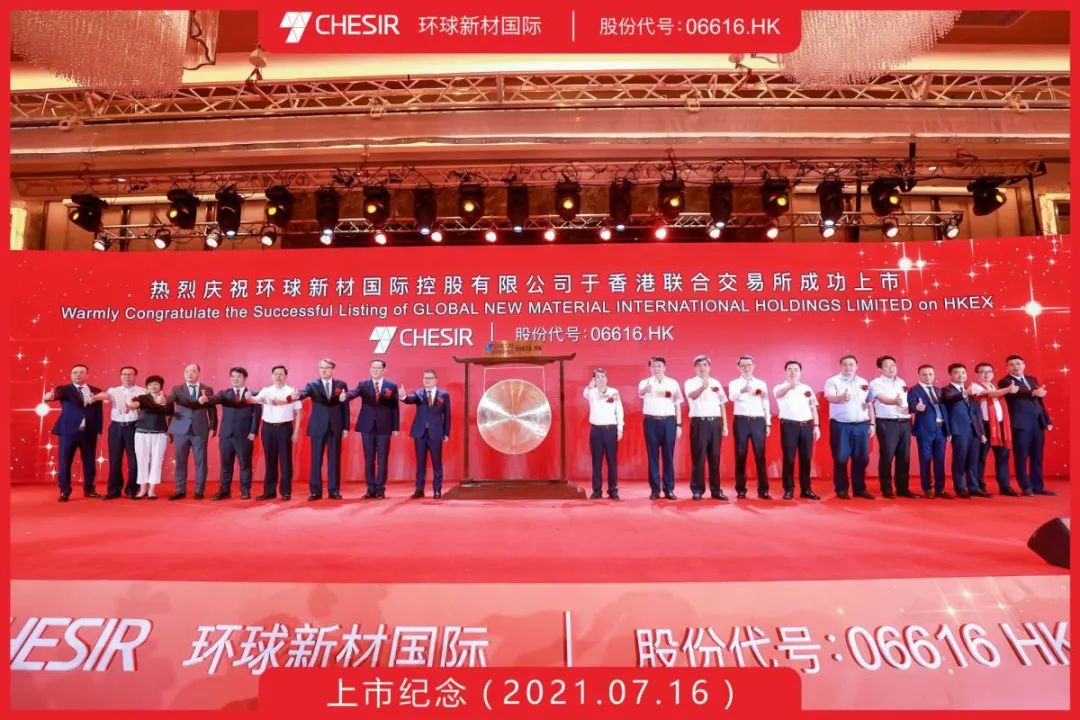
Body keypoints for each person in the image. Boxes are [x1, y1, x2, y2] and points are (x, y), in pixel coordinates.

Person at [43, 364, 104, 502]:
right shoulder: (63, 389)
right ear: (71, 375)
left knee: (89, 462)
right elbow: (53, 396)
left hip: (89, 432)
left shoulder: (96, 391)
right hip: (68, 432)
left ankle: (89, 489)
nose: (78, 375)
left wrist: (98, 429)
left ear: (87, 375)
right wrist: (48, 397)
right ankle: (64, 491)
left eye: (81, 372)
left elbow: (98, 411)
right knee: (65, 461)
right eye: (75, 372)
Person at [293, 358, 350, 501]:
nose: (323, 370)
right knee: (316, 460)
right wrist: (298, 395)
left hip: (335, 427)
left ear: (332, 369)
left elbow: (345, 406)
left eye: (326, 367)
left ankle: (334, 491)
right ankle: (315, 492)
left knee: (334, 460)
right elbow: (304, 393)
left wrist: (345, 427)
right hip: (318, 427)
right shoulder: (312, 385)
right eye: (321, 368)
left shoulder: (341, 385)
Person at [998, 355, 1055, 496]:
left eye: (1018, 363)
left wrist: (1046, 420)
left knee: (1037, 457)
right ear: (1007, 368)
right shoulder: (1005, 381)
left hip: (1037, 424)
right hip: (1020, 424)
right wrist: (1033, 392)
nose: (1016, 366)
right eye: (1012, 364)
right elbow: (1017, 391)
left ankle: (1038, 487)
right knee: (1021, 457)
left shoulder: (1032, 379)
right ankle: (1026, 486)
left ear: (1024, 365)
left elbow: (1039, 401)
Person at [346, 359, 401, 499]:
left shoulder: (391, 386)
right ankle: (370, 488)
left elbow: (395, 407)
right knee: (369, 457)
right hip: (367, 426)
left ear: (384, 370)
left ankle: (380, 488)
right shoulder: (363, 384)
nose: (375, 370)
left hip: (385, 426)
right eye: (372, 368)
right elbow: (354, 393)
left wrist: (396, 427)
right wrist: (344, 396)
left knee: (382, 458)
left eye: (378, 368)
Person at [823, 355, 875, 500]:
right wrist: (841, 397)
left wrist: (872, 423)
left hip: (862, 425)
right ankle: (841, 489)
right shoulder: (833, 381)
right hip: (841, 425)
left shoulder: (863, 382)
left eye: (851, 364)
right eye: (845, 364)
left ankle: (859, 489)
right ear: (840, 366)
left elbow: (869, 403)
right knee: (841, 457)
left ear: (856, 366)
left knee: (861, 458)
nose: (848, 367)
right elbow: (830, 398)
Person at [208, 367, 262, 500]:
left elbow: (257, 415)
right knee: (226, 464)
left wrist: (253, 431)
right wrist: (206, 399)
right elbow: (214, 399)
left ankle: (245, 490)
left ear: (245, 378)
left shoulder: (253, 394)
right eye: (233, 376)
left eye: (238, 376)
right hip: (226, 435)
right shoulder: (224, 394)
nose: (235, 379)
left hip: (244, 435)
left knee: (245, 464)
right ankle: (224, 490)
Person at [249, 365, 303, 501]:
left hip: (285, 428)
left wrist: (296, 432)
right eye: (275, 374)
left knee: (285, 461)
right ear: (271, 376)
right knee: (270, 460)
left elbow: (299, 413)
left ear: (286, 376)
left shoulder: (292, 392)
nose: (278, 377)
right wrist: (248, 396)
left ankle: (286, 492)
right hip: (267, 429)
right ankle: (269, 492)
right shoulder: (266, 391)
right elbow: (254, 400)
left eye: (281, 374)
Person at [165, 363, 217, 500]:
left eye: (193, 371)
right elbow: (169, 400)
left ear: (198, 373)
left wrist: (213, 427)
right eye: (187, 371)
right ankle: (180, 490)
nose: (190, 373)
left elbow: (212, 410)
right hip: (180, 429)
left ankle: (199, 491)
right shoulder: (177, 389)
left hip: (200, 429)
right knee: (180, 461)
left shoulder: (207, 389)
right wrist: (163, 400)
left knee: (201, 461)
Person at [867, 355, 917, 498]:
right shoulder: (875, 383)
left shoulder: (901, 382)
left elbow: (906, 401)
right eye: (887, 366)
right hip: (887, 423)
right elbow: (882, 399)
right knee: (887, 455)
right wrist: (894, 401)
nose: (891, 368)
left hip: (904, 422)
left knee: (904, 457)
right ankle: (886, 488)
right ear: (880, 369)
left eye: (893, 365)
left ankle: (903, 488)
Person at [92, 366, 144, 499]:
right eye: (124, 374)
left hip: (134, 427)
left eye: (130, 374)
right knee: (114, 460)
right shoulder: (113, 390)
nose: (127, 377)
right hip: (116, 427)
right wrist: (95, 397)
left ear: (135, 376)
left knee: (134, 461)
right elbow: (106, 396)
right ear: (121, 376)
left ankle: (132, 489)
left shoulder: (142, 391)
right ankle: (114, 490)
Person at [970, 362, 1020, 496]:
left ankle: (1005, 486)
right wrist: (1008, 390)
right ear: (976, 374)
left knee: (1003, 457)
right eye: (982, 371)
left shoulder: (995, 386)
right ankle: (978, 487)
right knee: (980, 457)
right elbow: (990, 394)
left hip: (1000, 425)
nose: (986, 374)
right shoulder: (974, 386)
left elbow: (995, 393)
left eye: (989, 371)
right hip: (984, 426)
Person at [773, 360, 821, 500]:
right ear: (785, 372)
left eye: (796, 369)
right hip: (789, 426)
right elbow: (778, 395)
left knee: (806, 458)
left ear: (800, 372)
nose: (793, 372)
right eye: (789, 369)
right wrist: (790, 386)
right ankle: (789, 489)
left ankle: (806, 489)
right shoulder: (779, 387)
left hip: (806, 426)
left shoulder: (807, 388)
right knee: (789, 458)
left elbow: (813, 407)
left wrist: (816, 426)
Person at [401, 369, 452, 499]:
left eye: (430, 378)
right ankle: (419, 489)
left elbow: (447, 415)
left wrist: (446, 432)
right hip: (420, 433)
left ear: (435, 380)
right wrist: (403, 397)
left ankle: (437, 490)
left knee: (437, 463)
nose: (427, 380)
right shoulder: (418, 393)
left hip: (436, 433)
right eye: (425, 378)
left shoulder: (444, 395)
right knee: (420, 463)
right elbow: (409, 399)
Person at [638, 356, 683, 500]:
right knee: (652, 457)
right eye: (653, 366)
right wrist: (646, 389)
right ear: (650, 368)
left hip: (669, 422)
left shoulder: (673, 383)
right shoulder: (645, 382)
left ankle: (669, 489)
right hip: (651, 422)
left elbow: (678, 403)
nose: (656, 368)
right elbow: (640, 393)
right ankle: (655, 490)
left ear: (664, 367)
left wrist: (679, 424)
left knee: (668, 456)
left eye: (659, 366)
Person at [684, 355, 729, 501]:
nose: (702, 368)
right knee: (699, 458)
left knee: (715, 458)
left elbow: (722, 403)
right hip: (699, 423)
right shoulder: (690, 382)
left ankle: (716, 490)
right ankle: (697, 490)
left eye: (705, 365)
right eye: (698, 365)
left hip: (715, 424)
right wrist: (702, 388)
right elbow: (692, 396)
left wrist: (725, 425)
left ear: (709, 367)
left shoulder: (716, 382)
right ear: (695, 368)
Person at [942, 364, 989, 498]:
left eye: (963, 372)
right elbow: (950, 399)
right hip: (959, 430)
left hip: (974, 430)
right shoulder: (946, 390)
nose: (961, 375)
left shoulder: (971, 390)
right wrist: (965, 393)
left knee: (973, 460)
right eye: (957, 373)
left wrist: (982, 433)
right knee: (960, 459)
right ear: (950, 375)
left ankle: (973, 487)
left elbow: (977, 413)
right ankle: (960, 488)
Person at [728, 355, 771, 500]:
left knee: (760, 455)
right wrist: (743, 390)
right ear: (738, 367)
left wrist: (768, 423)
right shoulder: (734, 383)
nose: (746, 368)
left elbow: (766, 403)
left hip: (758, 421)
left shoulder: (761, 383)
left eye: (748, 365)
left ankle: (763, 490)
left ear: (754, 366)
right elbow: (732, 397)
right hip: (741, 421)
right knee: (740, 455)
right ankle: (741, 489)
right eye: (743, 365)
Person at [907, 364, 951, 499]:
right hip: (924, 430)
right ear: (919, 375)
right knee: (925, 459)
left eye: (930, 374)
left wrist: (948, 431)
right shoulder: (914, 390)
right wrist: (916, 407)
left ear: (934, 375)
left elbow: (945, 411)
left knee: (940, 460)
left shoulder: (939, 390)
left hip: (941, 429)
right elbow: (911, 405)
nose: (928, 377)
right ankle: (927, 488)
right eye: (924, 374)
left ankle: (940, 489)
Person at [582, 368, 624, 500]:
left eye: (602, 376)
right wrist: (590, 385)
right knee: (596, 462)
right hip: (596, 430)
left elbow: (619, 411)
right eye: (597, 377)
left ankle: (613, 490)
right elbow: (585, 393)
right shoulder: (591, 392)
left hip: (610, 430)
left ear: (607, 378)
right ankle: (597, 491)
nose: (600, 379)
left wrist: (620, 428)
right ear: (594, 379)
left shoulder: (614, 392)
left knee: (612, 462)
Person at [127, 375, 170, 499]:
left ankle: (152, 490)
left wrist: (163, 403)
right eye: (150, 384)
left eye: (155, 384)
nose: (153, 386)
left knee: (157, 462)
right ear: (147, 387)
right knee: (141, 461)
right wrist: (129, 404)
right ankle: (142, 489)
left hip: (159, 434)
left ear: (161, 386)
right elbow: (134, 404)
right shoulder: (142, 398)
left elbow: (169, 415)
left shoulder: (167, 399)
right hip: (141, 434)